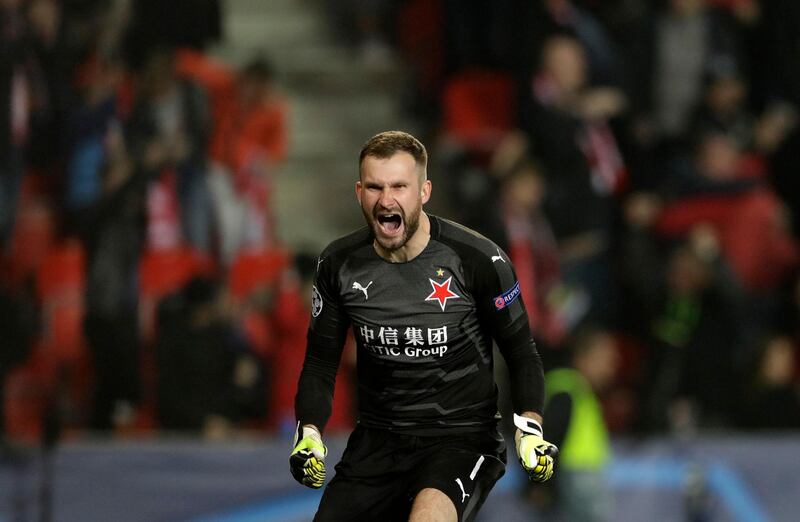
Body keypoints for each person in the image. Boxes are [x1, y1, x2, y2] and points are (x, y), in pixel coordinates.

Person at [289, 131, 557, 522]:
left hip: (461, 439)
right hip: (377, 442)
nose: (386, 200)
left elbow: (521, 352)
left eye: (399, 186)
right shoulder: (337, 265)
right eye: (375, 187)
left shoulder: (480, 261)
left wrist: (529, 425)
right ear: (358, 192)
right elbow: (319, 362)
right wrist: (309, 430)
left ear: (424, 191)